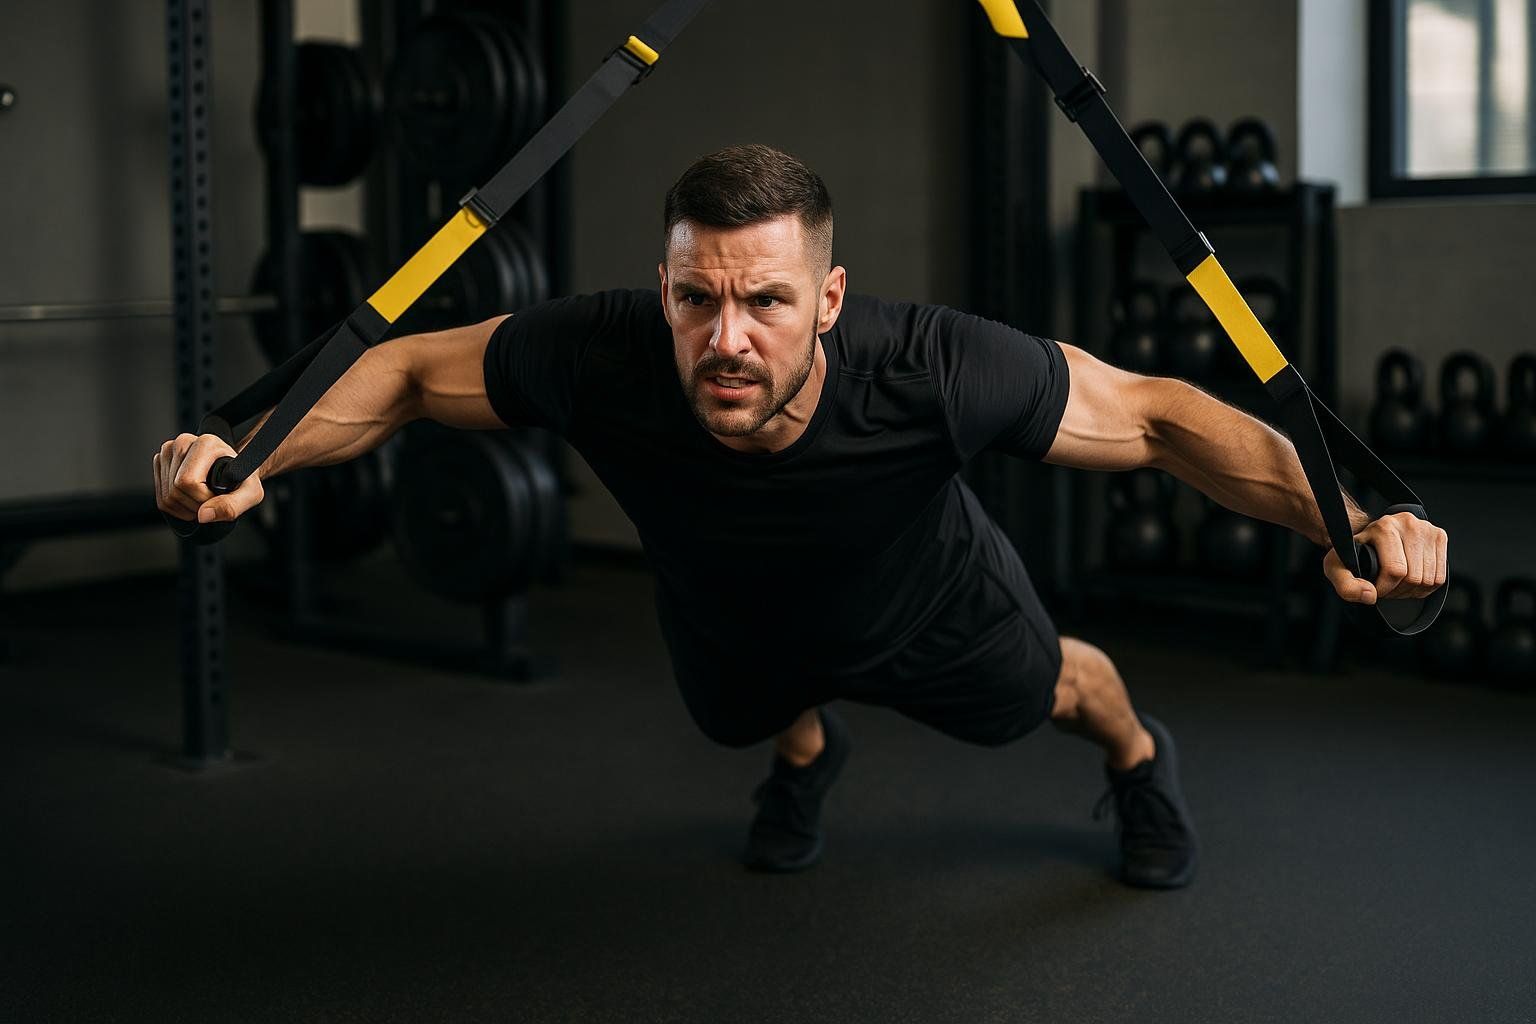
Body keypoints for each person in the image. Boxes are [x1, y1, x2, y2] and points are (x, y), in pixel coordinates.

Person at [155, 144, 1448, 889]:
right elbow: (397, 375)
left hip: (930, 599)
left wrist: (1345, 519)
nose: (726, 338)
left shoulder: (934, 366)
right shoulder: (597, 349)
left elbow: (1161, 415)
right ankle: (810, 752)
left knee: (1054, 693)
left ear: (829, 299)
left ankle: (1138, 767)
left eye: (765, 301)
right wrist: (258, 447)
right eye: (694, 298)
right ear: (660, 287)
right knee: (751, 716)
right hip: (732, 611)